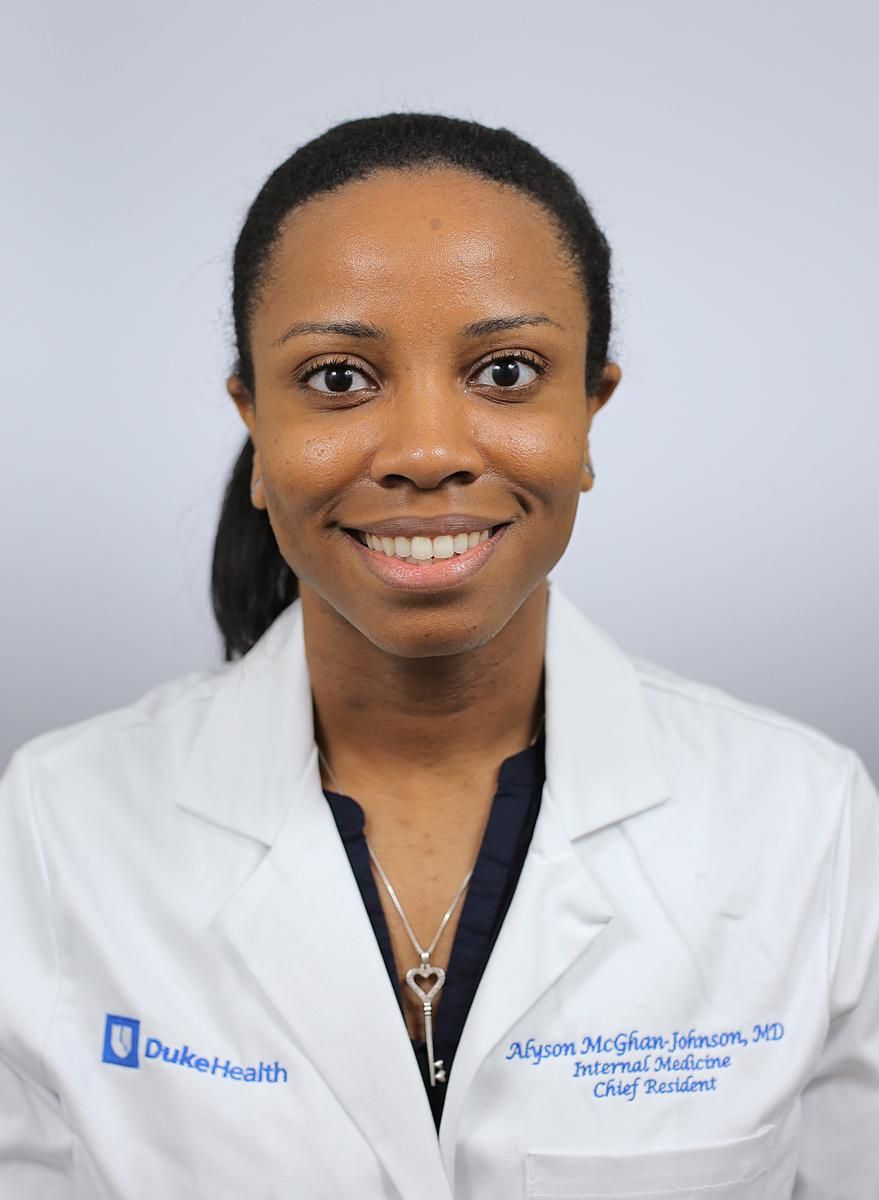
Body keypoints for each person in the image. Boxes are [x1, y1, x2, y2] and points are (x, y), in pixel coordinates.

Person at [1, 112, 876, 1200]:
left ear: (590, 410)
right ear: (255, 423)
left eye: (506, 370)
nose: (425, 452)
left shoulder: (807, 823)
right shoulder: (54, 828)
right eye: (337, 379)